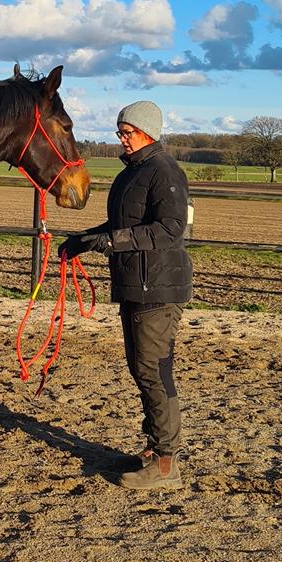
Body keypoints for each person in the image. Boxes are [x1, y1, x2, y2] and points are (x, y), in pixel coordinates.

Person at [58, 100, 192, 491]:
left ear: (148, 131)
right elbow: (122, 225)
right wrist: (83, 241)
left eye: (127, 132)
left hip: (159, 286)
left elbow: (170, 228)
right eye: (120, 132)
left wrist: (111, 241)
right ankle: (154, 450)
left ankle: (167, 463)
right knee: (141, 368)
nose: (122, 138)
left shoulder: (164, 171)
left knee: (154, 370)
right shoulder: (131, 174)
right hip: (135, 283)